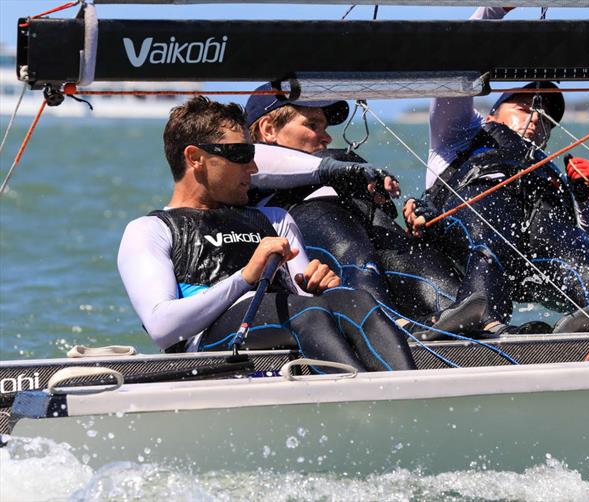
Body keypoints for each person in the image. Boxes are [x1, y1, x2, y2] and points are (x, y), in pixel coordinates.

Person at [117, 96, 416, 372]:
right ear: (195, 158)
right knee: (307, 313)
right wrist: (246, 278)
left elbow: (306, 299)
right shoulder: (150, 230)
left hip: (289, 325)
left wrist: (319, 286)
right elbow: (162, 328)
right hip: (208, 347)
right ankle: (370, 405)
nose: (254, 165)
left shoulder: (273, 219)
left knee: (356, 300)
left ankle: (411, 394)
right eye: (242, 153)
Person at [404, 6, 589, 333]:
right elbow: (455, 65)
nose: (537, 118)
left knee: (586, 267)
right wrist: (493, 10)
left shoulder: (548, 172)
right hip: (465, 243)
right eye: (524, 108)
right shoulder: (459, 132)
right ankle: (481, 320)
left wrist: (584, 200)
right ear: (493, 113)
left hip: (527, 267)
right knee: (493, 216)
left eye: (547, 119)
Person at [243, 85, 488, 336]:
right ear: (268, 129)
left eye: (325, 128)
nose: (326, 137)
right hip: (308, 248)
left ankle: (465, 315)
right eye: (312, 125)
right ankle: (388, 324)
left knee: (404, 249)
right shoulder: (245, 168)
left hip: (355, 241)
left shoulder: (340, 169)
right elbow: (257, 158)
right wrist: (337, 168)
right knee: (329, 219)